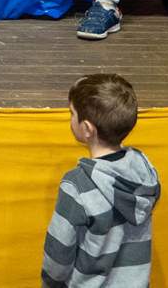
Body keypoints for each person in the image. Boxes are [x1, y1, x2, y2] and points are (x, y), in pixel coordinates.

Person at [41, 73, 160, 288]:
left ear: (87, 129)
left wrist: (51, 283)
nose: (70, 118)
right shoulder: (144, 171)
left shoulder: (77, 185)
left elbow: (59, 255)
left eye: (72, 113)